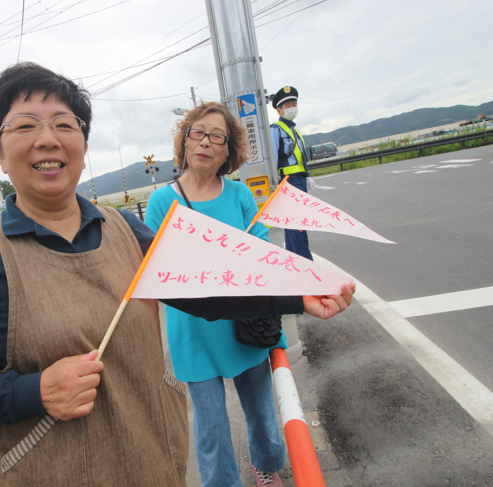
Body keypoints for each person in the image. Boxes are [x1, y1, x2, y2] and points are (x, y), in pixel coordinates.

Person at [0, 63, 355, 487]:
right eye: (25, 125)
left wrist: (298, 294)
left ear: (83, 147)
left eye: (64, 125)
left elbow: (209, 287)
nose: (48, 140)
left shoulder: (125, 229)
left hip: (155, 463)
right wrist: (33, 391)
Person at [145, 102, 347, 487]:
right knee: (212, 430)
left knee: (263, 414)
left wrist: (306, 282)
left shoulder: (238, 195)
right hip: (193, 332)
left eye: (216, 136)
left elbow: (262, 255)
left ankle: (266, 465)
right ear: (185, 141)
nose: (205, 141)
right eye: (197, 132)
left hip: (246, 323)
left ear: (228, 151)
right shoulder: (160, 201)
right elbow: (158, 272)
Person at [271, 86, 315, 261]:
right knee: (297, 225)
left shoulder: (294, 129)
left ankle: (293, 262)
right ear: (279, 110)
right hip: (287, 181)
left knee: (293, 224)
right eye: (287, 105)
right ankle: (306, 263)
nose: (292, 107)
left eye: (293, 103)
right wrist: (275, 183)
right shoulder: (276, 129)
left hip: (299, 179)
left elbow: (299, 155)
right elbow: (273, 157)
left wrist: (307, 175)